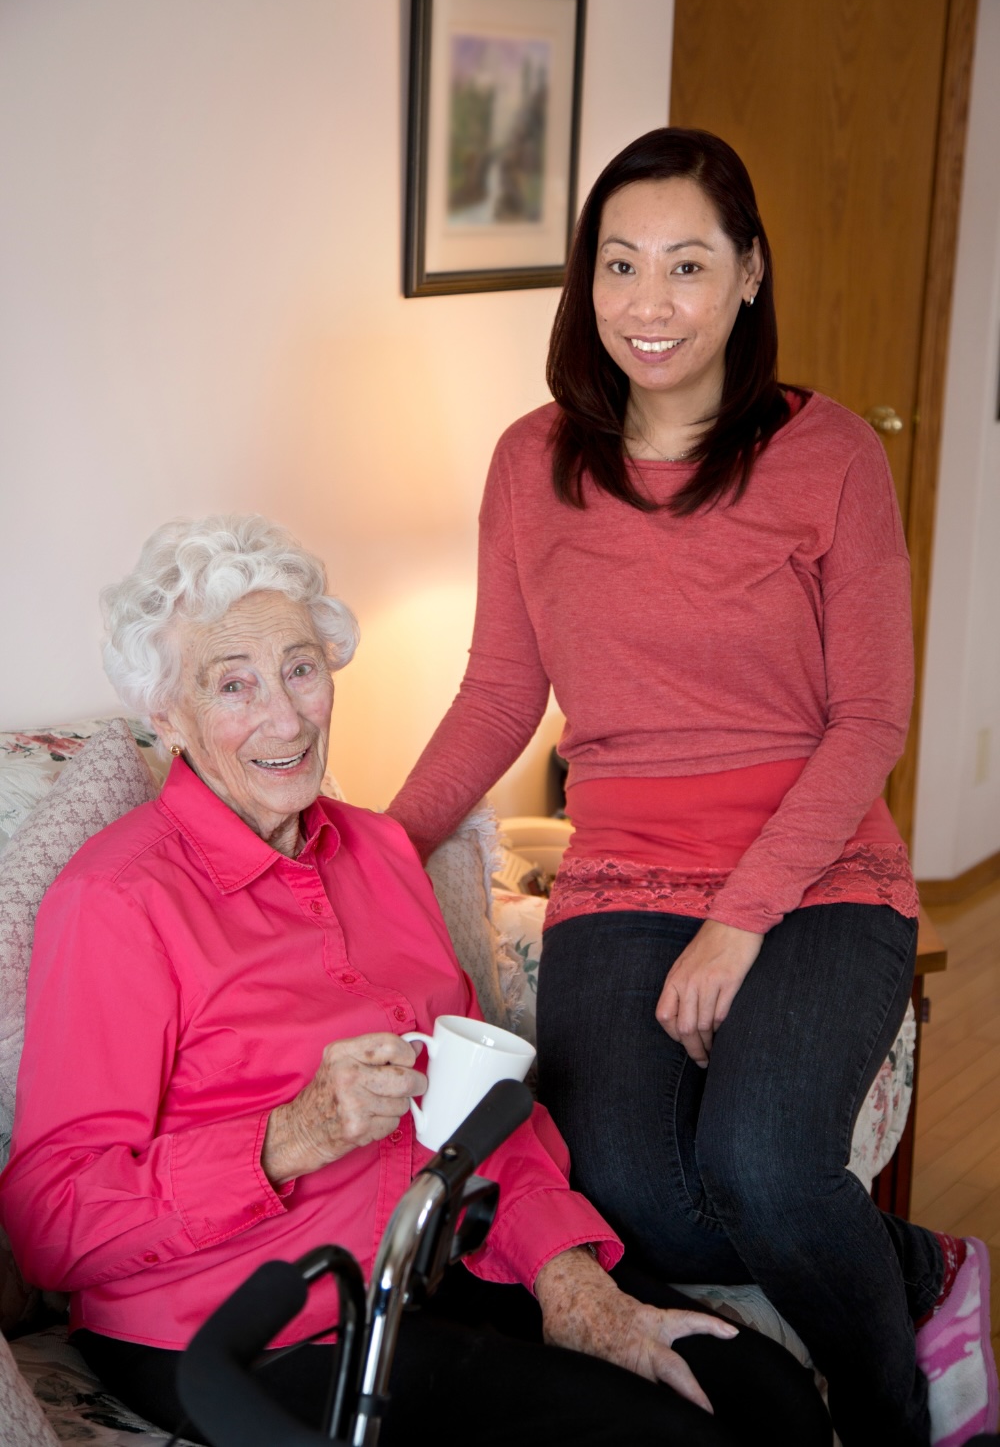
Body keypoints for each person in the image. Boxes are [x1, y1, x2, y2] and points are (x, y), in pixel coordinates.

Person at [386, 128, 998, 1447]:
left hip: (819, 876)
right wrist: (373, 849)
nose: (649, 304)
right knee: (626, 1197)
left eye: (686, 265)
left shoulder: (829, 455)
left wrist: (741, 922)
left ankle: (897, 1413)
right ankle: (913, 1269)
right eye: (619, 265)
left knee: (764, 1166)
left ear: (748, 278)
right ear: (585, 282)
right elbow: (501, 696)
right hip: (616, 877)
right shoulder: (529, 462)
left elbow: (868, 720)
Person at [0, 514, 832, 1447]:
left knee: (769, 1402)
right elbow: (50, 1219)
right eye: (232, 685)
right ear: (167, 716)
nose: (285, 717)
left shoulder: (377, 850)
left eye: (301, 669)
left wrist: (566, 1278)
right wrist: (287, 1137)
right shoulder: (118, 899)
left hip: (434, 1263)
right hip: (249, 1324)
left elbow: (485, 1105)